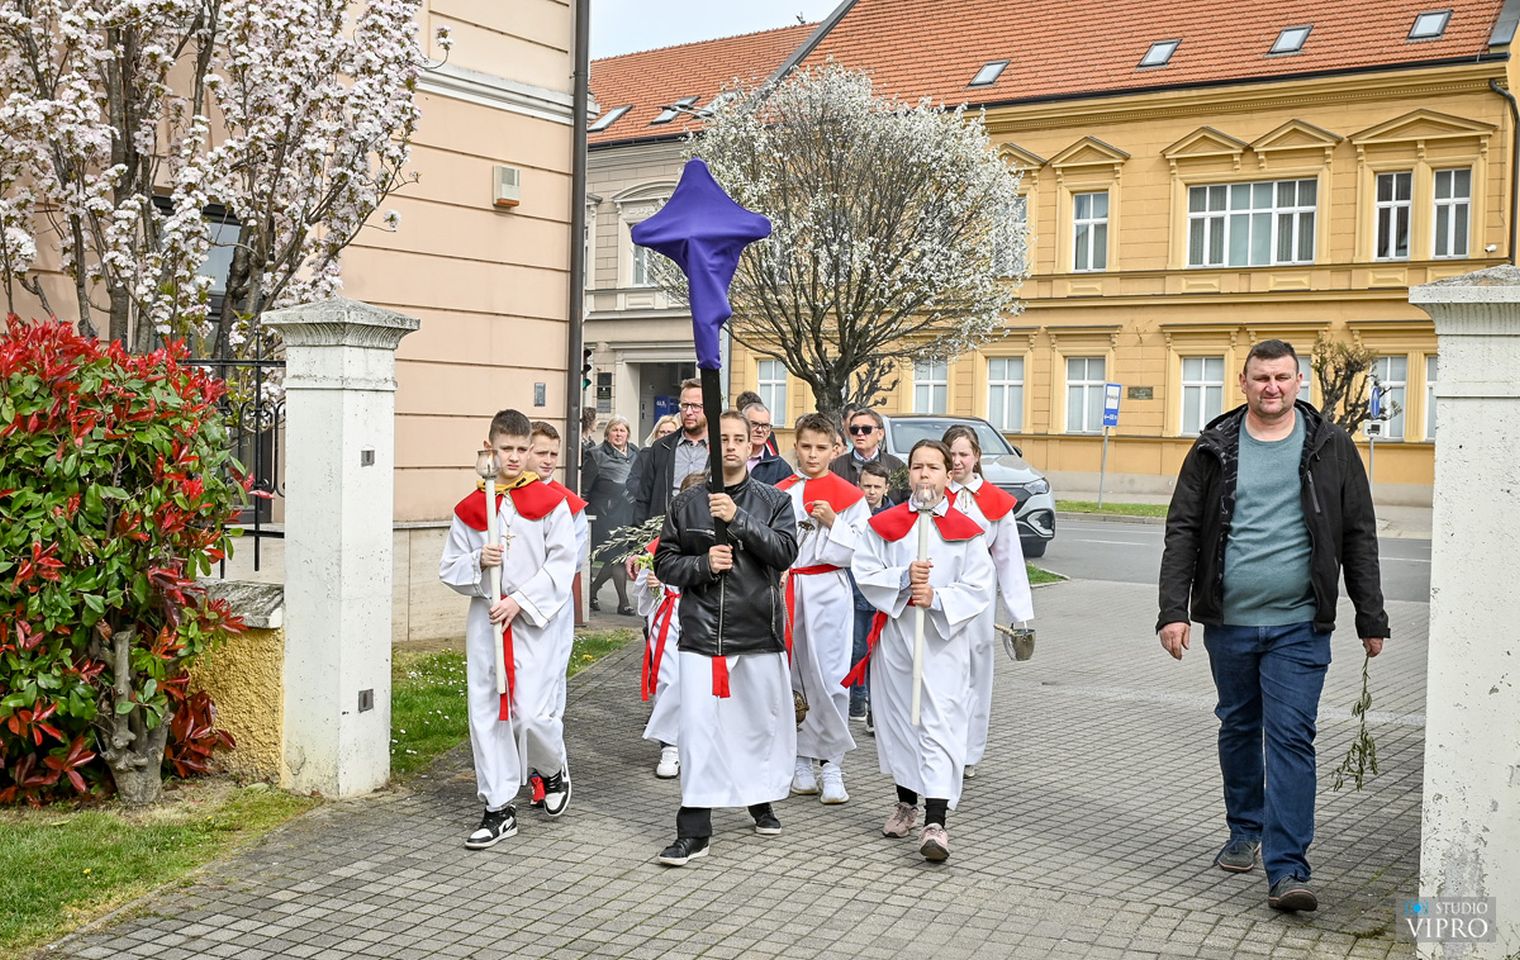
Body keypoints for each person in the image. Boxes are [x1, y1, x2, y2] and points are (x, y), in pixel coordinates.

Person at [1157, 338, 1389, 914]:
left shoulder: (1330, 446)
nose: (1272, 388)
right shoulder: (1213, 446)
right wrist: (1173, 610)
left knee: (1289, 738)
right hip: (1229, 621)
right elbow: (1182, 529)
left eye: (1283, 378)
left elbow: (1358, 532)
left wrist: (1370, 613)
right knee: (1238, 727)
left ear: (1299, 382)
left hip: (1299, 624)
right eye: (1261, 378)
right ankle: (1244, 829)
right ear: (1243, 382)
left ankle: (1288, 871)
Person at [652, 410, 799, 866]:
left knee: (755, 726)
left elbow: (784, 552)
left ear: (752, 445)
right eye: (725, 439)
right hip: (703, 634)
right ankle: (694, 828)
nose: (732, 446)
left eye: (740, 438)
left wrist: (738, 520)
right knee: (698, 728)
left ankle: (758, 798)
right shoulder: (687, 503)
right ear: (714, 445)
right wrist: (701, 566)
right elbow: (665, 562)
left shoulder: (774, 501)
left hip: (757, 629)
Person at [849, 439, 995, 863]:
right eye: (917, 467)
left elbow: (980, 586)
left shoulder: (968, 530)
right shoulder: (887, 524)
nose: (924, 474)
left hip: (942, 644)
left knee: (940, 725)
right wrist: (901, 579)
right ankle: (906, 804)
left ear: (949, 475)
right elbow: (865, 569)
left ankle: (936, 823)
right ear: (907, 474)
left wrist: (938, 597)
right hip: (897, 641)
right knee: (900, 724)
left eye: (934, 467)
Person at [439, 409, 578, 848]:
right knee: (487, 713)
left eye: (522, 450)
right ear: (490, 448)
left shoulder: (551, 504)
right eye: (506, 450)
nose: (515, 458)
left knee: (531, 714)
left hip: (532, 621)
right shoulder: (472, 509)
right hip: (487, 621)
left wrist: (520, 599)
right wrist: (479, 563)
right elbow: (449, 567)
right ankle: (498, 807)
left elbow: (562, 562)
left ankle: (552, 770)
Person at [775, 413, 871, 805]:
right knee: (792, 677)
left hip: (828, 588)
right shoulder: (779, 491)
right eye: (805, 446)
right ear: (795, 447)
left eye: (820, 448)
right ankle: (799, 760)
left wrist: (834, 523)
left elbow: (864, 552)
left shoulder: (849, 495)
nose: (812, 455)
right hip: (788, 587)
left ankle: (832, 764)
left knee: (830, 678)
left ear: (835, 449)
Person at [943, 425, 1034, 780]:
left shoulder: (993, 500)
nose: (958, 461)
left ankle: (969, 750)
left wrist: (1020, 614)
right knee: (942, 670)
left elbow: (1009, 558)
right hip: (941, 594)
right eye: (952, 454)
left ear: (976, 457)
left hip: (979, 599)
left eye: (965, 454)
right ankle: (943, 742)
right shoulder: (935, 492)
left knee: (977, 673)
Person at [631, 472, 709, 780]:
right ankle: (669, 746)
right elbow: (643, 595)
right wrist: (653, 585)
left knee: (701, 682)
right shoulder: (659, 545)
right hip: (670, 618)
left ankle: (700, 744)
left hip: (704, 616)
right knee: (669, 679)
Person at [848, 460, 895, 729]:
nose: (871, 492)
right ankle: (856, 701)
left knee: (879, 653)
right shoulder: (852, 513)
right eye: (866, 486)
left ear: (886, 487)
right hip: (855, 591)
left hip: (882, 596)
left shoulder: (893, 515)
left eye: (877, 486)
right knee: (856, 649)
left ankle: (875, 711)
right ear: (858, 485)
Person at [581, 415, 640, 615]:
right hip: (604, 513)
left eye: (622, 430)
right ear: (607, 434)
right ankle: (623, 602)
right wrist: (584, 513)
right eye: (614, 430)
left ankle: (593, 590)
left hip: (628, 512)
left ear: (628, 434)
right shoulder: (595, 454)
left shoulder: (635, 453)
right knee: (617, 556)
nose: (618, 434)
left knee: (617, 557)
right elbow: (585, 488)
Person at [629, 378, 708, 523]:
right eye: (684, 405)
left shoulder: (721, 449)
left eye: (696, 406)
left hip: (706, 533)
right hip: (664, 533)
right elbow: (643, 498)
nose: (689, 412)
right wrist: (637, 541)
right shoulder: (662, 447)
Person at [830, 407, 907, 501]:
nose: (859, 433)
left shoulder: (897, 466)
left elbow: (907, 501)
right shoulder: (835, 467)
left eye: (866, 429)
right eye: (854, 429)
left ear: (880, 434)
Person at [741, 400, 792, 485]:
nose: (760, 430)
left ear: (769, 432)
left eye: (765, 426)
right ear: (741, 425)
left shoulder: (780, 468)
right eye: (754, 424)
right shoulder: (727, 458)